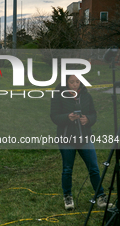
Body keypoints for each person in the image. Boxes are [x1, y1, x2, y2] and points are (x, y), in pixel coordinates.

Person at [50, 75, 111, 210]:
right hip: (66, 138)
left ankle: (101, 197)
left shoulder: (86, 95)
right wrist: (67, 117)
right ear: (66, 82)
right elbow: (54, 116)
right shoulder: (58, 95)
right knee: (67, 169)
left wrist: (88, 119)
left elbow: (93, 114)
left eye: (77, 81)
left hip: (84, 138)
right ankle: (68, 197)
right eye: (72, 82)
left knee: (94, 168)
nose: (75, 84)